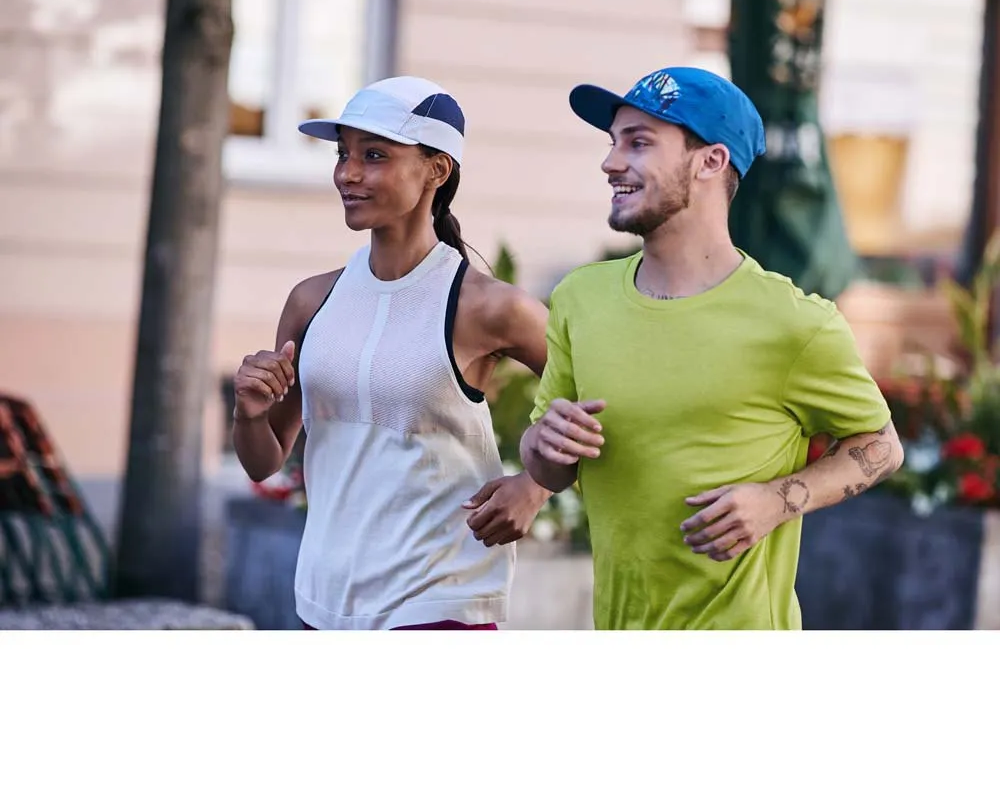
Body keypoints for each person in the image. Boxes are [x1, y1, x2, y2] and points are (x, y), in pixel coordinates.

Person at [519, 66, 903, 630]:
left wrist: (777, 500)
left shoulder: (793, 323)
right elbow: (548, 469)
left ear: (711, 161)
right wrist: (543, 447)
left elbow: (883, 446)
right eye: (613, 142)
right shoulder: (580, 298)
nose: (610, 162)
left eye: (638, 143)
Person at [231, 75, 552, 630]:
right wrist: (249, 413)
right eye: (343, 154)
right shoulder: (312, 300)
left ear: (437, 170)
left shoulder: (487, 306)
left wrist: (537, 486)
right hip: (322, 601)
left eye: (374, 155)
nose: (348, 173)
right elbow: (265, 460)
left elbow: (600, 392)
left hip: (438, 602)